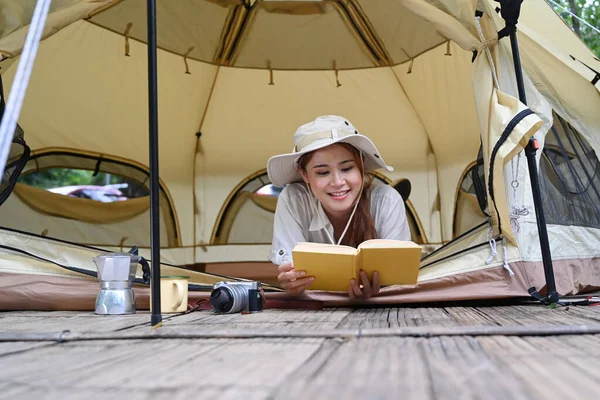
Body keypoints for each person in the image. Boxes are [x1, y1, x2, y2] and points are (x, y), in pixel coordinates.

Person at [267, 115, 410, 299]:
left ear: (361, 166)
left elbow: (399, 278)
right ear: (304, 175)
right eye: (323, 172)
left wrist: (381, 290)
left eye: (347, 168)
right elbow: (291, 269)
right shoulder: (294, 200)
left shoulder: (387, 201)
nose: (338, 182)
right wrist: (291, 281)